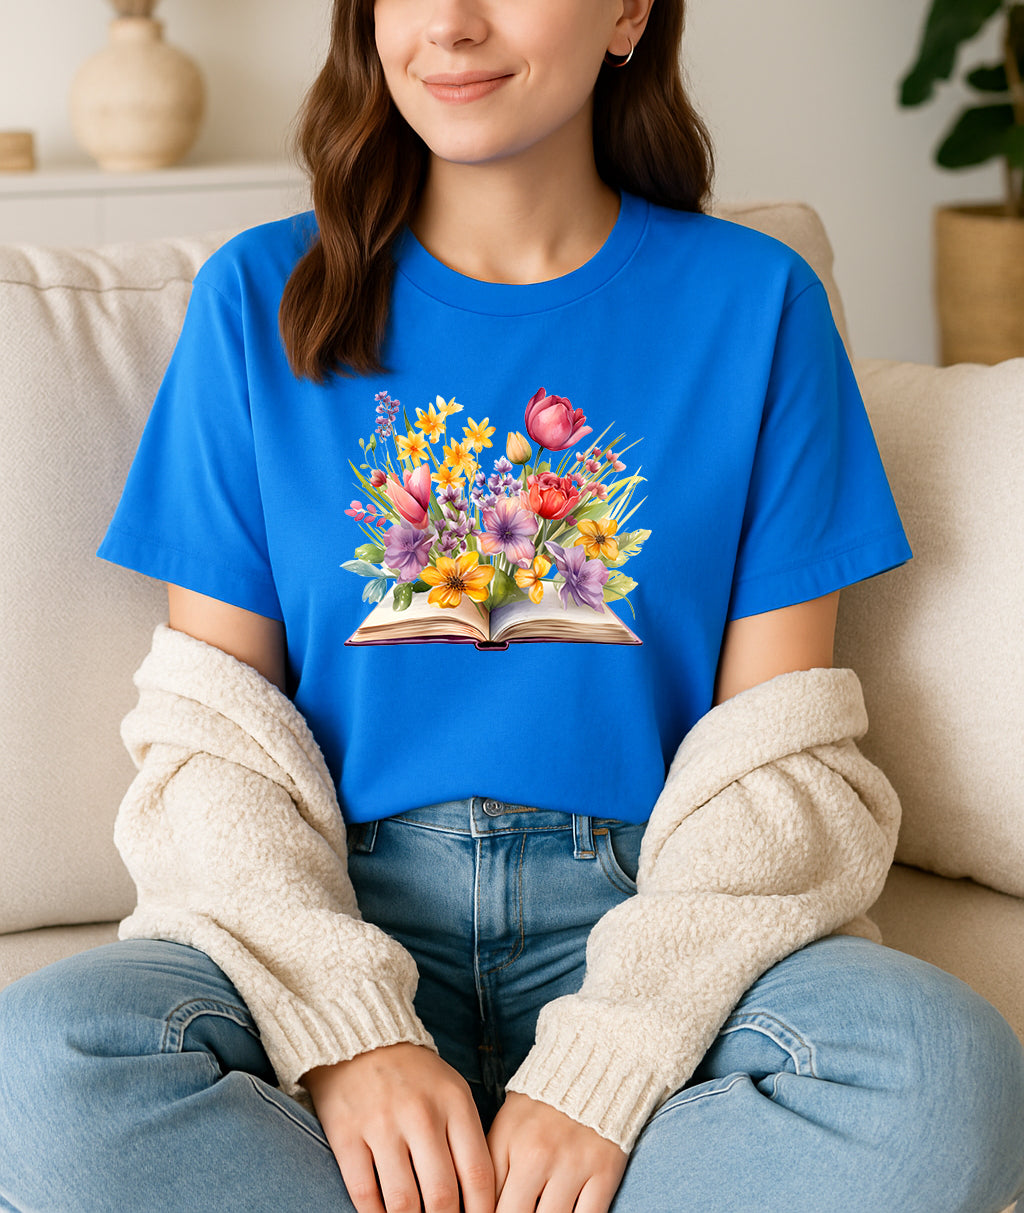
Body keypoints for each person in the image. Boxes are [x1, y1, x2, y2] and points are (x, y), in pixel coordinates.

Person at [2, 1, 1024, 1211]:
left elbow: (777, 754)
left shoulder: (756, 305)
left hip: (660, 906)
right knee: (42, 1069)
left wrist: (618, 1051)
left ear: (629, 12)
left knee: (939, 1070)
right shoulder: (255, 300)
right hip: (336, 895)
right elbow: (213, 736)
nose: (450, 24)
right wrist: (346, 1028)